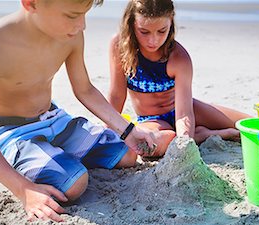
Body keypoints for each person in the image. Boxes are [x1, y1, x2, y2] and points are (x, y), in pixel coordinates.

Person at [0, 0, 156, 222]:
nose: (82, 25)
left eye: (85, 14)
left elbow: (84, 89)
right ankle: (39, 162)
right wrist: (24, 190)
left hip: (55, 118)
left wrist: (127, 130)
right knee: (75, 183)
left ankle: (58, 154)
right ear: (31, 3)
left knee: (127, 154)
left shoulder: (71, 35)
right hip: (13, 132)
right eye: (72, 15)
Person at [108, 0, 251, 157]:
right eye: (144, 32)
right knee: (146, 146)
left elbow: (184, 114)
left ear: (171, 22)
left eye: (162, 31)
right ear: (131, 23)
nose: (153, 40)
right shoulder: (120, 46)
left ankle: (197, 134)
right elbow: (117, 95)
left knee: (250, 126)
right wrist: (106, 130)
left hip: (185, 109)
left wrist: (185, 140)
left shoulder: (179, 57)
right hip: (152, 120)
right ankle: (202, 135)